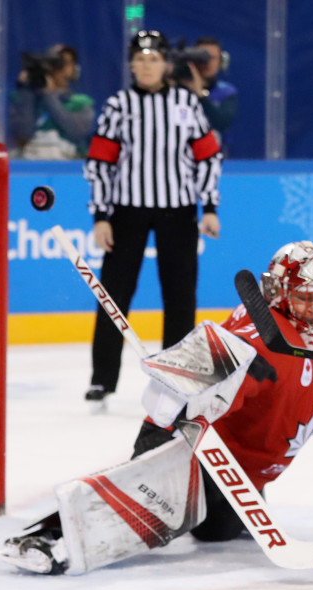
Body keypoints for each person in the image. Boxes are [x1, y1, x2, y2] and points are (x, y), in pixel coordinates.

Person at [0, 241, 313, 575]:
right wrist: (185, 399)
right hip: (190, 440)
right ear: (279, 292)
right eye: (306, 297)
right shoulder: (254, 335)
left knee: (214, 529)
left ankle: (197, 503)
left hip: (242, 474)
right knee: (160, 510)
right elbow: (168, 396)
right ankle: (51, 538)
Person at [83, 30, 223, 411]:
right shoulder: (118, 105)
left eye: (153, 58)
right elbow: (100, 162)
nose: (146, 65)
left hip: (177, 211)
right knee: (114, 295)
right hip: (127, 212)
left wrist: (208, 207)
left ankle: (176, 378)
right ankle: (102, 379)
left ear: (165, 63)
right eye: (139, 59)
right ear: (131, 64)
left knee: (180, 297)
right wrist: (101, 216)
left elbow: (207, 156)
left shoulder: (185, 102)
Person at [9, 44, 95, 159]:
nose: (59, 69)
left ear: (74, 68)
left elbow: (77, 132)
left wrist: (50, 95)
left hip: (69, 165)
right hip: (31, 163)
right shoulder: (29, 100)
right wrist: (26, 90)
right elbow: (22, 135)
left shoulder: (81, 102)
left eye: (64, 63)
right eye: (54, 64)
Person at [175, 37, 238, 148]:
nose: (207, 62)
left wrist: (200, 93)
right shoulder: (177, 91)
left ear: (221, 61)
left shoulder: (226, 92)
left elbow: (221, 123)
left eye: (212, 58)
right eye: (202, 57)